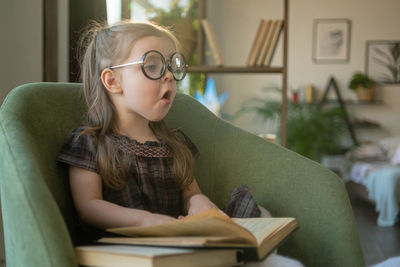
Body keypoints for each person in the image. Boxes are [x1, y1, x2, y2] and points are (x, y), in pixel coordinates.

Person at [58, 20, 303, 267]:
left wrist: (199, 204)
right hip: (129, 254)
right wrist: (145, 221)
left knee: (260, 215)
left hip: (181, 247)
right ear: (113, 82)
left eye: (171, 66)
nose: (168, 76)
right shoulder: (89, 142)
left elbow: (191, 193)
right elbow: (89, 205)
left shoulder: (173, 143)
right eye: (152, 66)